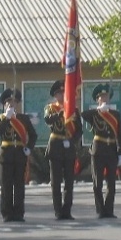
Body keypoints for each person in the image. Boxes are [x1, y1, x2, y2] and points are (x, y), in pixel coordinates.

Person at [81, 83, 121, 218]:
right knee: (97, 183)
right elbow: (83, 114)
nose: (104, 98)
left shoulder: (115, 114)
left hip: (111, 150)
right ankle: (100, 210)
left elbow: (119, 134)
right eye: (101, 97)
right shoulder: (94, 114)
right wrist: (98, 110)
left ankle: (109, 210)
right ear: (97, 100)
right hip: (98, 150)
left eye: (106, 96)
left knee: (111, 183)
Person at [0, 88, 37, 222]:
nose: (11, 105)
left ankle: (18, 213)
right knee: (6, 185)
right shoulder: (0, 118)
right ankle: (7, 213)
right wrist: (7, 117)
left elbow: (33, 135)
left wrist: (29, 148)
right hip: (5, 155)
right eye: (8, 103)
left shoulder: (23, 118)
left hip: (19, 154)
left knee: (19, 185)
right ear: (4, 104)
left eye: (14, 102)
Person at [44, 79, 82, 220]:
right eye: (59, 93)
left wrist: (71, 141)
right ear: (55, 95)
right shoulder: (51, 108)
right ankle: (58, 211)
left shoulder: (73, 110)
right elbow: (48, 120)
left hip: (68, 147)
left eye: (63, 92)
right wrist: (61, 113)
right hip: (55, 146)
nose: (62, 95)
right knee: (55, 181)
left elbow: (79, 130)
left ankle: (67, 210)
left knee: (69, 182)